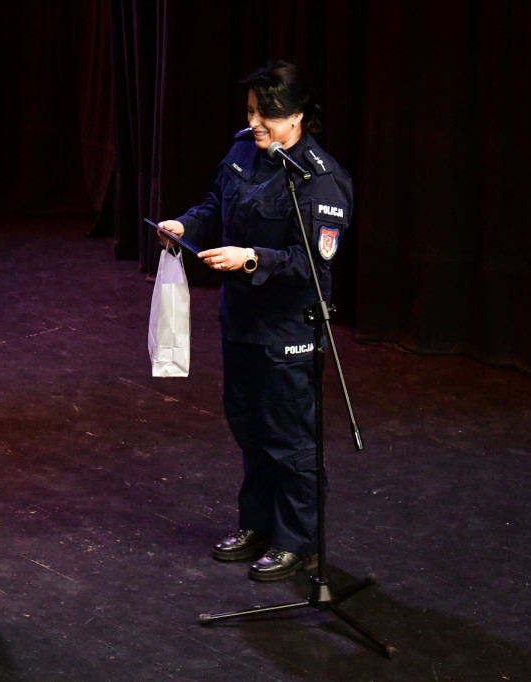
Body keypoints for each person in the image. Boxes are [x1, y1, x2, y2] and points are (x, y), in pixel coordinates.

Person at [158, 60, 353, 582]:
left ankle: (298, 541)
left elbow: (310, 264)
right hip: (240, 321)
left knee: (289, 437)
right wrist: (184, 224)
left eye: (269, 114)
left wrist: (252, 259)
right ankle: (258, 524)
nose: (258, 123)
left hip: (289, 331)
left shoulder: (321, 180)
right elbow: (215, 204)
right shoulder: (244, 148)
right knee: (249, 428)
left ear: (300, 117)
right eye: (251, 112)